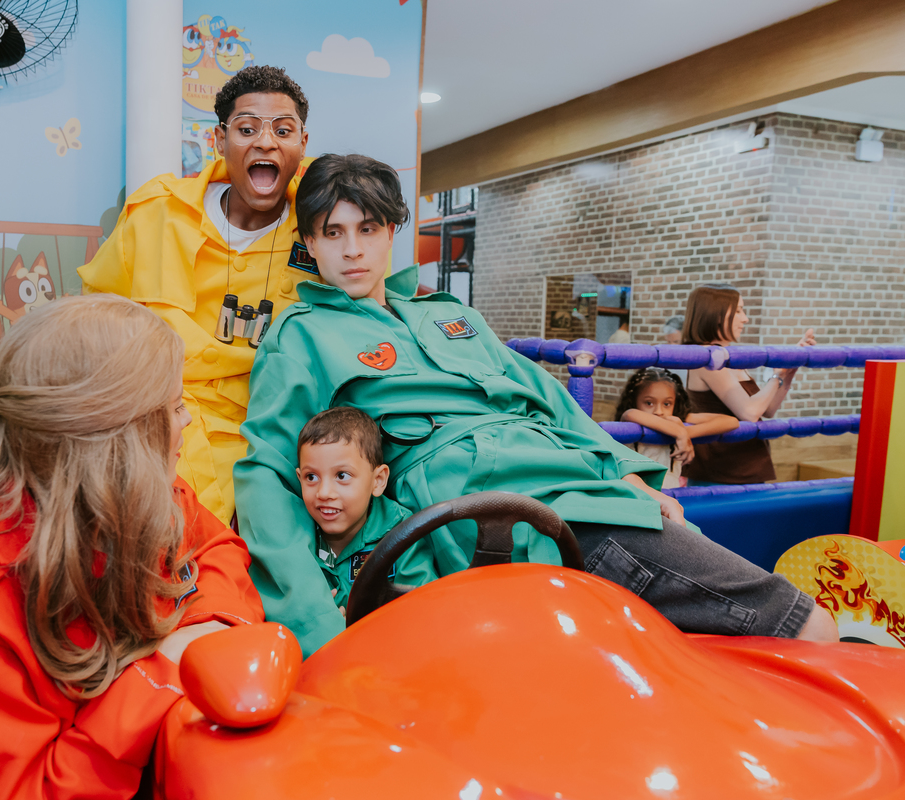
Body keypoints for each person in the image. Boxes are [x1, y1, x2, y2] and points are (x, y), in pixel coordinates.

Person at [234, 153, 837, 656]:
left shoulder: (448, 312)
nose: (352, 250)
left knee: (718, 641)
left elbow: (548, 396)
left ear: (393, 230)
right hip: (494, 506)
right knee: (803, 624)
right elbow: (268, 472)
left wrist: (626, 478)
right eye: (332, 232)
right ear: (308, 241)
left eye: (367, 229)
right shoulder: (302, 333)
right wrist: (314, 633)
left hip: (570, 477)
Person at [0, 295, 264, 800]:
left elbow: (217, 548)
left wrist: (210, 625)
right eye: (175, 407)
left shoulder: (148, 497)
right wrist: (161, 674)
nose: (188, 421)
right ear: (117, 445)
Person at [78, 65, 314, 525]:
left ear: (302, 144)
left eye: (282, 130)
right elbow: (95, 316)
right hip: (156, 423)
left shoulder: (327, 228)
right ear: (219, 141)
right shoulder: (157, 213)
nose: (266, 143)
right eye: (247, 129)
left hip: (275, 430)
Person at [296, 407, 439, 616]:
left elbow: (424, 606)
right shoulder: (297, 534)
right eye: (311, 477)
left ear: (378, 480)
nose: (324, 492)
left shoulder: (402, 533)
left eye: (342, 475)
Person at [680, 283, 815, 485]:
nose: (745, 318)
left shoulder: (729, 357)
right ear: (716, 314)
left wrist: (789, 371)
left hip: (743, 466)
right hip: (722, 473)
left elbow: (767, 409)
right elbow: (750, 413)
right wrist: (777, 375)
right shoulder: (708, 357)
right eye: (738, 311)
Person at [614, 367, 739, 489]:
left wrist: (686, 432)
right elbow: (630, 413)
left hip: (671, 499)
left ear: (675, 403)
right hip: (638, 499)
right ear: (633, 401)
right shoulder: (632, 422)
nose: (659, 411)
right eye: (649, 403)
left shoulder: (676, 419)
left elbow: (731, 421)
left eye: (667, 404)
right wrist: (679, 433)